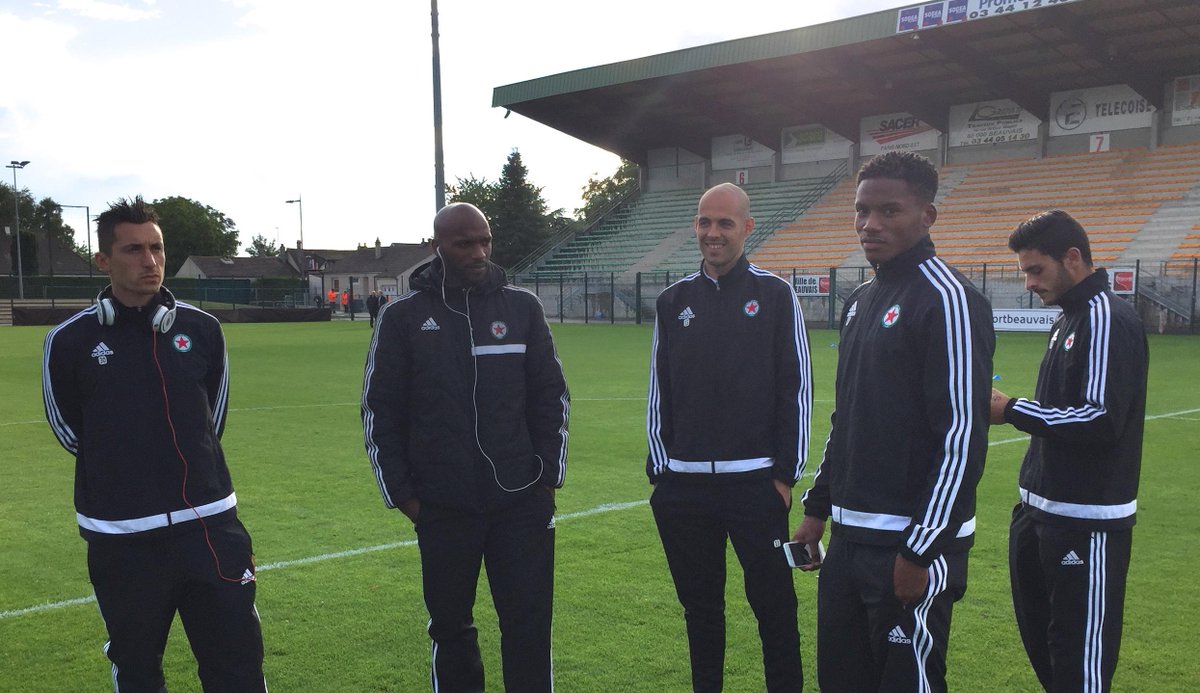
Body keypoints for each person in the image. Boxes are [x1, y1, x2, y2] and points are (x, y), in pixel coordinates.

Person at [42, 196, 266, 692]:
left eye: (157, 248)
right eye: (133, 250)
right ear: (103, 260)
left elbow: (213, 418)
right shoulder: (70, 341)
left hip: (211, 532)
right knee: (139, 672)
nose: (150, 261)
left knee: (238, 669)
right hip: (122, 540)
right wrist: (125, 468)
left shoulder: (202, 330)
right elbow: (69, 430)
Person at [793, 151, 994, 692]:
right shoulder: (860, 299)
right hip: (850, 539)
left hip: (910, 545)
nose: (870, 224)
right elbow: (847, 417)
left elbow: (961, 435)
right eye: (861, 211)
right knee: (842, 680)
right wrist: (817, 509)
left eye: (889, 211)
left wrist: (920, 547)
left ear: (927, 216)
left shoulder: (950, 300)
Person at [362, 202, 570, 692]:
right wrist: (408, 497)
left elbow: (551, 395)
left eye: (485, 240)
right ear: (438, 246)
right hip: (442, 506)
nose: (479, 252)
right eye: (465, 243)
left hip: (521, 502)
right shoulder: (402, 318)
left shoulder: (521, 308)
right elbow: (379, 411)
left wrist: (547, 479)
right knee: (451, 628)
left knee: (528, 627)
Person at [646, 182, 812, 692]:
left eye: (723, 223)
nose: (712, 233)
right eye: (704, 222)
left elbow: (796, 388)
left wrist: (784, 477)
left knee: (775, 607)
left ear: (746, 227)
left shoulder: (776, 295)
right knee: (701, 610)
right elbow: (660, 390)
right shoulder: (674, 301)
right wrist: (662, 474)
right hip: (685, 489)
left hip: (756, 486)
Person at [990, 210, 1148, 692]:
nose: (1028, 282)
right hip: (1039, 511)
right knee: (1048, 651)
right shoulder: (1069, 319)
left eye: (1035, 269)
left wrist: (1011, 409)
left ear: (1073, 258)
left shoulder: (1105, 317)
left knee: (1079, 662)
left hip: (1086, 521)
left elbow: (1100, 418)